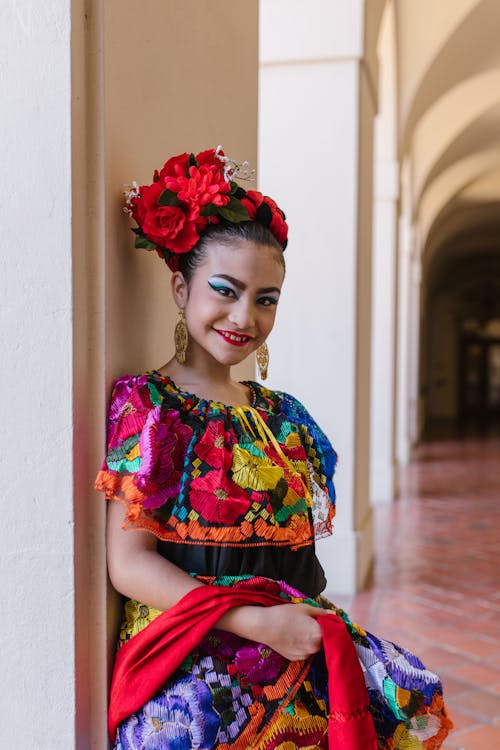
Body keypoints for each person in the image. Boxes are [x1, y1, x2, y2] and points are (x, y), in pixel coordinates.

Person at [95, 146, 452, 750]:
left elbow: (298, 560)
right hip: (192, 659)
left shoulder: (283, 416)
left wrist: (296, 629)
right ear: (181, 289)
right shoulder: (152, 409)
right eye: (225, 290)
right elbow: (128, 563)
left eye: (266, 299)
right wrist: (252, 622)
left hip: (290, 642)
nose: (245, 316)